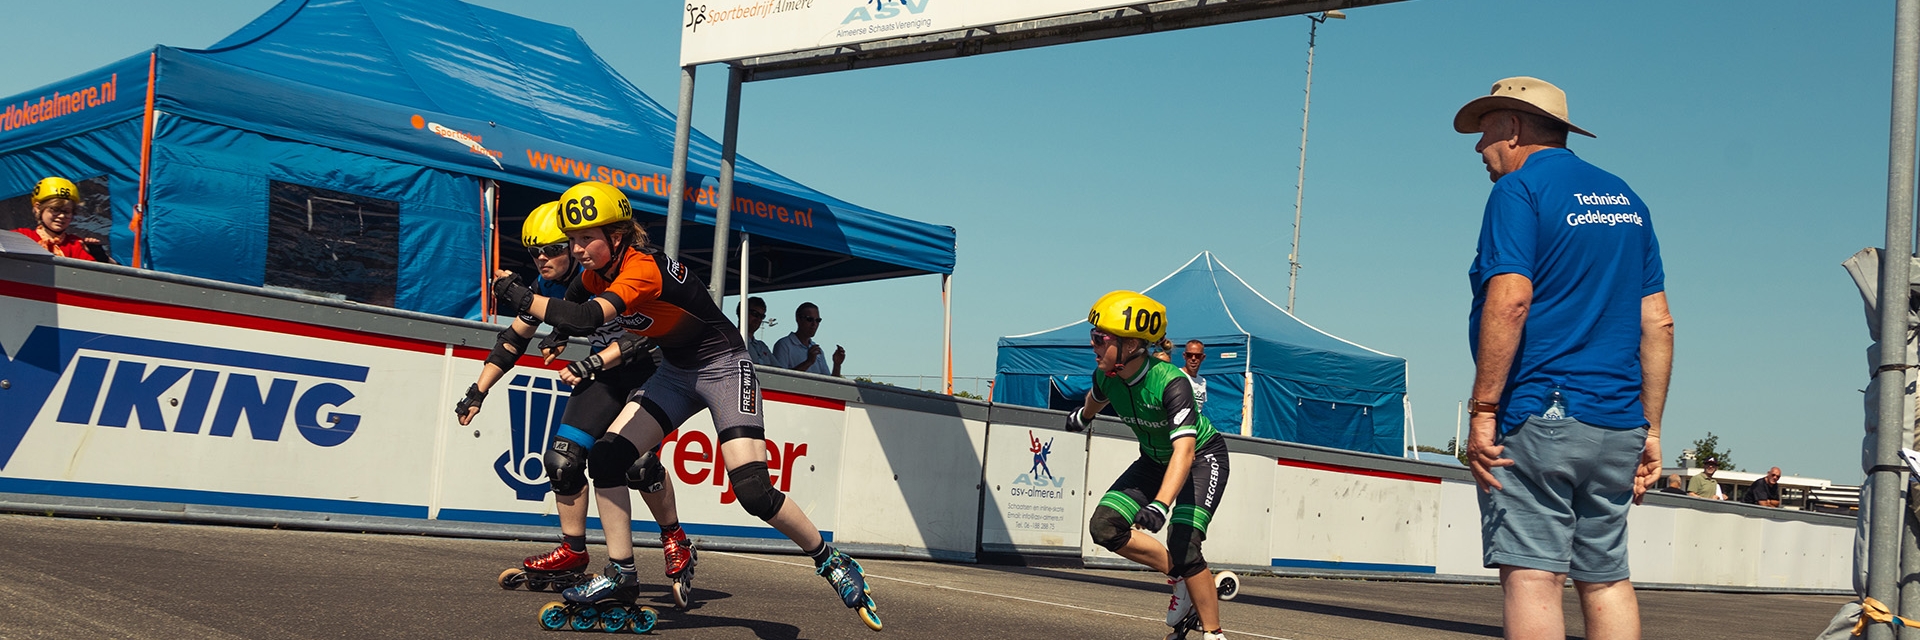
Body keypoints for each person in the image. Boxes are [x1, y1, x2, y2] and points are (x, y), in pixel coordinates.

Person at [493, 181, 881, 629]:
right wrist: (558, 333)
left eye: (586, 239)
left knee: (753, 490)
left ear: (616, 237)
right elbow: (574, 301)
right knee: (606, 457)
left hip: (724, 368)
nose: (577, 250)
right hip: (677, 373)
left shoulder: (641, 268)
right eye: (573, 240)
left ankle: (830, 559)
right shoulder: (596, 271)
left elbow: (585, 316)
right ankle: (621, 573)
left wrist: (522, 298)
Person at [1458, 77, 1673, 640]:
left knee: (1533, 576)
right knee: (1605, 577)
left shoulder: (1518, 191)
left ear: (1513, 127)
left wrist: (1484, 410)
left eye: (1485, 132)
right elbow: (1658, 321)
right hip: (1619, 422)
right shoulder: (1627, 200)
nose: (1478, 147)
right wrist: (1651, 428)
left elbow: (1511, 300)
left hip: (1540, 412)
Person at [455, 201, 697, 604]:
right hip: (604, 374)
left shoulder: (616, 272)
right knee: (562, 460)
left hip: (648, 370)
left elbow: (644, 334)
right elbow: (513, 339)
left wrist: (589, 359)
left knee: (635, 464)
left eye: (551, 250)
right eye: (534, 252)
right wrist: (478, 390)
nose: (541, 259)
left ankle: (675, 537)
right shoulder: (546, 284)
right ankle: (573, 550)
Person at [1065, 291, 1233, 640]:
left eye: (1100, 338)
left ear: (1131, 345)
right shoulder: (1107, 375)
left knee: (1184, 543)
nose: (1093, 345)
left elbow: (1185, 451)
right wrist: (1084, 416)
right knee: (1104, 527)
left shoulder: (1171, 382)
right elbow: (1097, 398)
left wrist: (1160, 504)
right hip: (1155, 459)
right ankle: (1183, 578)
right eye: (1093, 336)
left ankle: (1214, 633)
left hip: (1201, 457)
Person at [14, 177, 106, 262]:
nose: (61, 216)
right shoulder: (22, 236)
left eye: (67, 211)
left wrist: (100, 257)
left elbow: (102, 272)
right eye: (55, 209)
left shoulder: (76, 244)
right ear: (38, 208)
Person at [771, 302, 845, 377]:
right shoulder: (784, 345)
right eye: (809, 319)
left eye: (818, 320)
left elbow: (828, 383)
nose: (814, 324)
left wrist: (837, 364)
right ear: (798, 319)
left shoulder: (817, 351)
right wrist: (808, 362)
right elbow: (779, 378)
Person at [741, 296, 775, 366]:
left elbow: (779, 370)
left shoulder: (762, 346)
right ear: (742, 312)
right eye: (755, 314)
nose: (758, 319)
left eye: (762, 316)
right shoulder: (733, 341)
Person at [1180, 340, 1208, 412]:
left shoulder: (1202, 381)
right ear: (1184, 356)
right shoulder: (1177, 376)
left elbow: (1199, 408)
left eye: (1197, 356)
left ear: (1203, 357)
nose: (1193, 358)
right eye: (1189, 355)